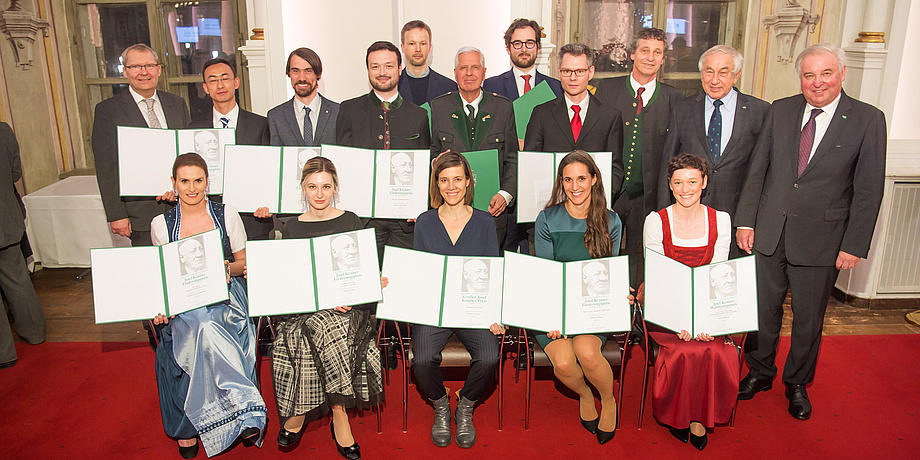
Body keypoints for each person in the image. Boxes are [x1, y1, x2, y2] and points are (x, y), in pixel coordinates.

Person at [735, 43, 886, 420]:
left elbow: (869, 190)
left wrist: (854, 244)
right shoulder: (781, 110)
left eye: (825, 73)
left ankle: (797, 382)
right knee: (762, 311)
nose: (817, 82)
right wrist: (747, 221)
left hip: (823, 240)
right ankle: (760, 371)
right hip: (769, 232)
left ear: (842, 74)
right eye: (809, 75)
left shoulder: (868, 119)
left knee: (808, 319)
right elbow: (759, 170)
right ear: (800, 78)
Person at [151, 153, 266, 458]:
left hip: (227, 294)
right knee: (198, 324)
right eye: (184, 181)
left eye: (198, 181)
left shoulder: (226, 214)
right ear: (173, 183)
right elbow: (162, 275)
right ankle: (234, 411)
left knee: (209, 323)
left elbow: (245, 263)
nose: (192, 188)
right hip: (184, 299)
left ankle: (232, 412)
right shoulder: (161, 224)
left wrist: (225, 269)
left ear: (207, 182)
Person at [271, 156, 384, 460]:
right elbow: (289, 281)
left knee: (325, 324)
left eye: (325, 186)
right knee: (316, 325)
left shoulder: (350, 220)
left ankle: (302, 414)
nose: (319, 194)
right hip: (305, 310)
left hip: (347, 311)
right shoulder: (291, 227)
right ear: (302, 188)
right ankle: (339, 413)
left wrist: (362, 290)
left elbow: (362, 273)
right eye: (312, 187)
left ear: (335, 187)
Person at [641, 153, 737, 451]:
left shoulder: (721, 220)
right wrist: (680, 320)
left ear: (704, 183)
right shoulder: (655, 221)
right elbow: (657, 279)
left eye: (692, 181)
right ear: (670, 185)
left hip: (708, 308)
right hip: (667, 309)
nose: (686, 189)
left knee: (710, 349)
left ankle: (698, 418)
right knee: (683, 351)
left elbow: (717, 277)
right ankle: (676, 414)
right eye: (679, 182)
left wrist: (704, 321)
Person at [410, 152, 505, 448]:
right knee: (422, 360)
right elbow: (419, 271)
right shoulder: (424, 222)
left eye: (457, 179)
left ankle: (465, 405)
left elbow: (492, 272)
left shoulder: (485, 222)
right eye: (444, 180)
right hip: (435, 310)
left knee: (490, 357)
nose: (451, 186)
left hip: (472, 310)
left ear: (468, 183)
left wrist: (495, 313)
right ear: (436, 184)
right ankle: (440, 404)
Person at [534, 150, 622, 444]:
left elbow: (609, 274)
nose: (575, 186)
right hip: (553, 306)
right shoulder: (547, 218)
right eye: (568, 179)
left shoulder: (611, 221)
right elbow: (544, 276)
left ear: (594, 179)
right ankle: (586, 394)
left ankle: (607, 399)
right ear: (561, 182)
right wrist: (552, 316)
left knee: (586, 351)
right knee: (562, 362)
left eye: (582, 178)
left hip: (591, 308)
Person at [658, 45, 770, 258]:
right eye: (709, 71)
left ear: (736, 76)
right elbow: (669, 165)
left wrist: (747, 221)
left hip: (737, 218)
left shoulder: (760, 112)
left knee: (728, 284)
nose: (714, 79)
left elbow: (760, 171)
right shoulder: (683, 109)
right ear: (701, 75)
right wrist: (664, 215)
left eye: (723, 72)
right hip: (689, 217)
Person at [595, 28, 682, 288]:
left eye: (657, 52)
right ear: (633, 54)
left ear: (663, 58)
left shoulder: (674, 97)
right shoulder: (607, 89)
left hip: (649, 194)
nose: (650, 57)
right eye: (644, 50)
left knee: (640, 257)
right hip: (609, 190)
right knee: (600, 250)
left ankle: (635, 321)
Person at [336, 40, 431, 265]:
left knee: (404, 285)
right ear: (368, 70)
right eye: (375, 66)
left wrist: (420, 205)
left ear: (400, 69)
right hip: (363, 220)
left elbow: (424, 167)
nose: (382, 72)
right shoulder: (348, 110)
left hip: (406, 222)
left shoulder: (418, 115)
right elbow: (341, 165)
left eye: (388, 66)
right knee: (365, 290)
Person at [93, 43, 190, 247]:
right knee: (152, 272)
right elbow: (106, 166)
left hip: (183, 207)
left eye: (149, 66)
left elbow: (187, 154)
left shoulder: (177, 103)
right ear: (125, 71)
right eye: (136, 67)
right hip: (140, 213)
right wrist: (116, 214)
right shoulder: (108, 111)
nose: (144, 72)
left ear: (159, 69)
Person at [429, 46, 518, 248]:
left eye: (475, 67)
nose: (469, 73)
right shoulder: (439, 107)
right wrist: (437, 162)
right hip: (450, 212)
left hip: (491, 211)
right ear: (455, 73)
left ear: (484, 72)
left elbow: (512, 157)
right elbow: (433, 151)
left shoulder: (502, 107)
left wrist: (505, 194)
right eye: (463, 68)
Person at [189, 57, 273, 241]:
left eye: (225, 78)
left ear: (236, 82)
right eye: (213, 80)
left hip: (253, 218)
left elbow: (269, 170)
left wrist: (268, 202)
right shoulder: (193, 129)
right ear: (205, 87)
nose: (220, 85)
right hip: (208, 220)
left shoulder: (261, 124)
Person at [524, 42, 625, 193]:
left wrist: (598, 202)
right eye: (567, 71)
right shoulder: (541, 114)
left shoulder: (610, 116)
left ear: (590, 72)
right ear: (559, 72)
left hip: (594, 207)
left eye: (579, 71)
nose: (572, 78)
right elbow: (531, 165)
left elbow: (615, 169)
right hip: (552, 205)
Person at [0, 121, 45, 370]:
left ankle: (4, 353)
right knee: (17, 280)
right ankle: (36, 333)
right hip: (5, 218)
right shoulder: (3, 129)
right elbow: (15, 173)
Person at [268, 48, 339, 147]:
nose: (302, 78)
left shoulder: (338, 112)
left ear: (318, 74)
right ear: (289, 74)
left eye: (308, 71)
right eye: (296, 71)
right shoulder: (276, 116)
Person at [483, 18, 562, 100]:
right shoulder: (492, 86)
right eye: (517, 44)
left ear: (538, 47)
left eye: (530, 43)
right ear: (508, 49)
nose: (524, 49)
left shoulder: (555, 88)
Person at [397, 20, 458, 105]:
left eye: (423, 43)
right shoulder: (394, 85)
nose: (418, 49)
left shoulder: (448, 87)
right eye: (412, 44)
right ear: (403, 48)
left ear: (429, 47)